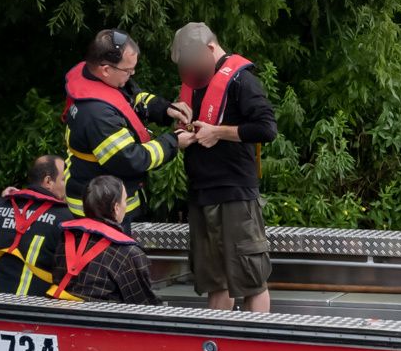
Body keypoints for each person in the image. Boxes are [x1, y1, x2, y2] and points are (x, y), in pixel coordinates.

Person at [167, 22, 277, 312]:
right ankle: (217, 337)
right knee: (215, 281)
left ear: (210, 48)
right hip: (201, 193)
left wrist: (217, 132)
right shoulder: (195, 82)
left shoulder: (242, 81)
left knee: (251, 278)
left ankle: (257, 337)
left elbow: (266, 129)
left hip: (234, 194)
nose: (189, 70)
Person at [61, 29, 178, 222]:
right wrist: (174, 141)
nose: (132, 74)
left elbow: (132, 98)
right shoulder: (97, 114)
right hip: (102, 211)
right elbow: (131, 159)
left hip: (111, 198)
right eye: (128, 71)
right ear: (106, 69)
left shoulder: (99, 78)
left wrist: (165, 110)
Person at [0, 155, 78, 296]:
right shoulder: (64, 219)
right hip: (34, 307)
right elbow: (72, 269)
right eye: (63, 180)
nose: (67, 186)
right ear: (48, 181)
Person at [64, 175, 159, 305]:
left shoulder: (67, 238)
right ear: (116, 207)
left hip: (62, 312)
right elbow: (144, 303)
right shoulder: (129, 254)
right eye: (125, 200)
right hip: (105, 316)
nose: (126, 205)